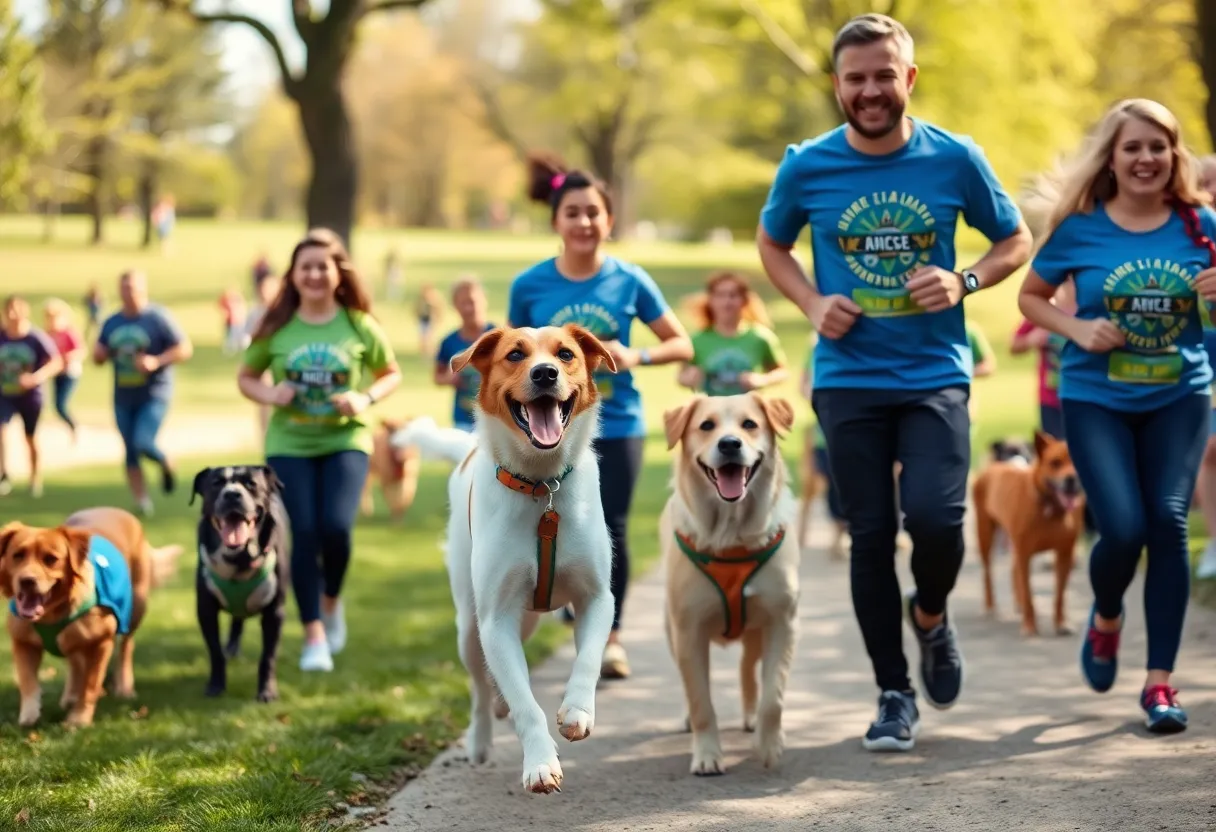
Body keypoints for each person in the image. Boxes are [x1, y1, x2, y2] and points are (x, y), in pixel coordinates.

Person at [755, 13, 1032, 751]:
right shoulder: (807, 165)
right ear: (838, 85)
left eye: (884, 75)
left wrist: (964, 278)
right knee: (870, 534)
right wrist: (812, 302)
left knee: (938, 523)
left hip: (934, 374)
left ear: (908, 78)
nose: (871, 90)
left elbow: (1015, 239)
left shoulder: (955, 158)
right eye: (856, 79)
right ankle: (892, 694)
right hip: (847, 378)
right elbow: (772, 243)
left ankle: (932, 615)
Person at [1017, 98, 1216, 733]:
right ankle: (1107, 617)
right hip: (1096, 397)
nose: (1146, 158)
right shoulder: (1079, 228)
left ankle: (1160, 683)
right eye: (1132, 147)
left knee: (1168, 521)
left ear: (1174, 156)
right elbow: (1031, 296)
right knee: (1122, 528)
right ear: (1112, 157)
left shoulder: (1202, 226)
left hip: (1179, 396)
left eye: (1158, 147)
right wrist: (1076, 328)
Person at [507, 151, 693, 680]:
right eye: (573, 212)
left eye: (594, 212)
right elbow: (509, 358)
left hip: (618, 422)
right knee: (552, 521)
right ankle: (565, 598)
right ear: (556, 222)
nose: (584, 222)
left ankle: (609, 638)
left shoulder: (630, 281)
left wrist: (637, 355)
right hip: (547, 429)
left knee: (609, 527)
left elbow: (680, 343)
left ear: (609, 221)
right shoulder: (530, 286)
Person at [238, 228, 401, 673]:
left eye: (321, 266)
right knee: (304, 533)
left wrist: (364, 398)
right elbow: (246, 377)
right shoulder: (275, 326)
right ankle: (314, 635)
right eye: (304, 266)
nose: (313, 274)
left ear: (337, 273)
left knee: (337, 530)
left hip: (345, 439)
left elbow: (390, 373)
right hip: (289, 444)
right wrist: (271, 396)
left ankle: (331, 601)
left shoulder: (358, 324)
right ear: (293, 275)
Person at [94, 269, 193, 517]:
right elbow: (99, 352)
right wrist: (99, 355)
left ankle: (165, 460)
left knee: (142, 442)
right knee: (129, 449)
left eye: (135, 289)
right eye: (125, 289)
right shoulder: (112, 321)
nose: (130, 294)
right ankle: (142, 501)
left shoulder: (158, 318)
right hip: (123, 395)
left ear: (144, 289)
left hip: (154, 393)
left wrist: (156, 361)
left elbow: (184, 348)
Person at [677, 270, 789, 396]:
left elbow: (781, 371)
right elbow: (681, 376)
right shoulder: (696, 340)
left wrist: (762, 379)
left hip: (747, 408)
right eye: (720, 295)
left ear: (745, 300)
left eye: (733, 295)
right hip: (712, 408)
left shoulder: (760, 337)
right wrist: (690, 378)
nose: (727, 302)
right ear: (710, 300)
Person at [0, 296, 62, 498]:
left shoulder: (35, 337)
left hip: (30, 396)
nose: (12, 315)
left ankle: (35, 477)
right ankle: (4, 474)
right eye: (9, 310)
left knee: (30, 438)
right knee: (1, 431)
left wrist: (36, 378)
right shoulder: (2, 336)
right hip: (5, 394)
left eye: (16, 310)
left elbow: (55, 362)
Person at [1010, 277, 1076, 440]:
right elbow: (1014, 345)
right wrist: (1032, 338)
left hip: (1085, 393)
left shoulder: (1091, 311)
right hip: (1050, 396)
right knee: (1054, 449)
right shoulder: (1043, 310)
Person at [1192, 153, 1216, 579]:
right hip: (1198, 352)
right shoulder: (1187, 233)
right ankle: (1215, 540)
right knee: (1208, 450)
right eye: (1203, 183)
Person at [434, 276, 494, 432]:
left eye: (472, 302)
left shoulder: (498, 337)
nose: (468, 309)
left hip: (495, 417)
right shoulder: (449, 342)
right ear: (455, 306)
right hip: (463, 419)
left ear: (484, 301)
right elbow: (437, 376)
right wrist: (448, 378)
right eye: (463, 303)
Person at [42, 298, 87, 442]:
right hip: (57, 372)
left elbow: (81, 350)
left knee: (61, 404)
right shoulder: (48, 334)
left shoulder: (68, 332)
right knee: (56, 405)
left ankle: (74, 426)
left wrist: (69, 357)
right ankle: (72, 427)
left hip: (70, 373)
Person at [244, 274, 282, 436]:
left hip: (279, 362)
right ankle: (265, 433)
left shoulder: (284, 312)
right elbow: (248, 337)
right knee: (265, 401)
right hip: (264, 363)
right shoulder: (256, 312)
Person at [219, 288, 247, 357]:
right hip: (231, 323)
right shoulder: (228, 302)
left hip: (237, 322)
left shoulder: (238, 302)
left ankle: (239, 346)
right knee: (231, 337)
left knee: (238, 336)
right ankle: (231, 348)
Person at [415, 284, 442, 357]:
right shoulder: (421, 299)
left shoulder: (433, 299)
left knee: (430, 337)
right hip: (422, 320)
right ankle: (424, 353)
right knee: (423, 337)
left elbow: (437, 309)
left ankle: (431, 352)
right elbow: (417, 309)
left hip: (430, 321)